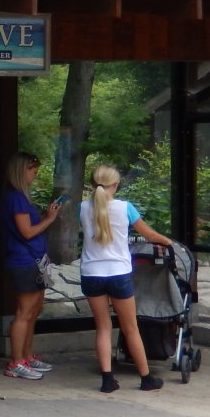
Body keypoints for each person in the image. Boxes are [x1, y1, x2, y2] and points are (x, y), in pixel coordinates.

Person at [78, 164, 171, 393]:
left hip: (91, 274)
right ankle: (146, 378)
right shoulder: (125, 208)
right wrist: (168, 242)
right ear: (116, 185)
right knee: (130, 328)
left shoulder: (82, 208)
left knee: (103, 327)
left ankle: (107, 380)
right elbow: (148, 235)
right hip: (118, 273)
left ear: (93, 184)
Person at [0, 151, 63, 379]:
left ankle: (27, 356)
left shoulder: (19, 197)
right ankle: (16, 362)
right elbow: (26, 232)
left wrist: (46, 215)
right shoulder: (16, 197)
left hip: (34, 260)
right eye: (33, 171)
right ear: (21, 171)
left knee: (34, 310)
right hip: (24, 260)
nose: (35, 175)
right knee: (25, 312)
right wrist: (49, 219)